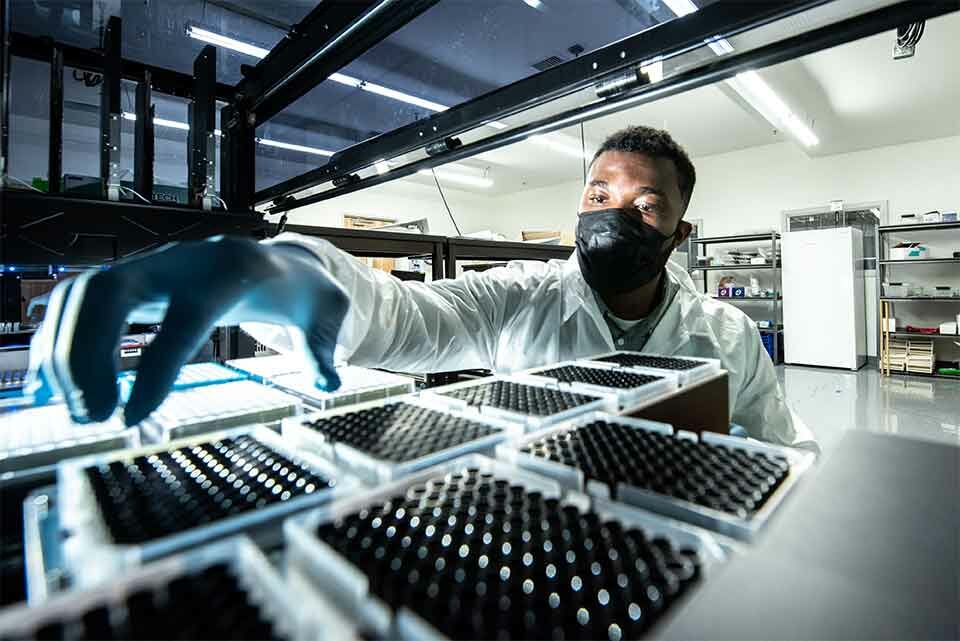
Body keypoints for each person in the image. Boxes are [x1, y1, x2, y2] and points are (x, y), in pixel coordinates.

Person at [26, 125, 816, 451]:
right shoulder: (521, 296)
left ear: (679, 235)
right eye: (599, 196)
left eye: (645, 206)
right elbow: (401, 318)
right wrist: (287, 276)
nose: (614, 215)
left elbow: (787, 453)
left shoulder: (726, 334)